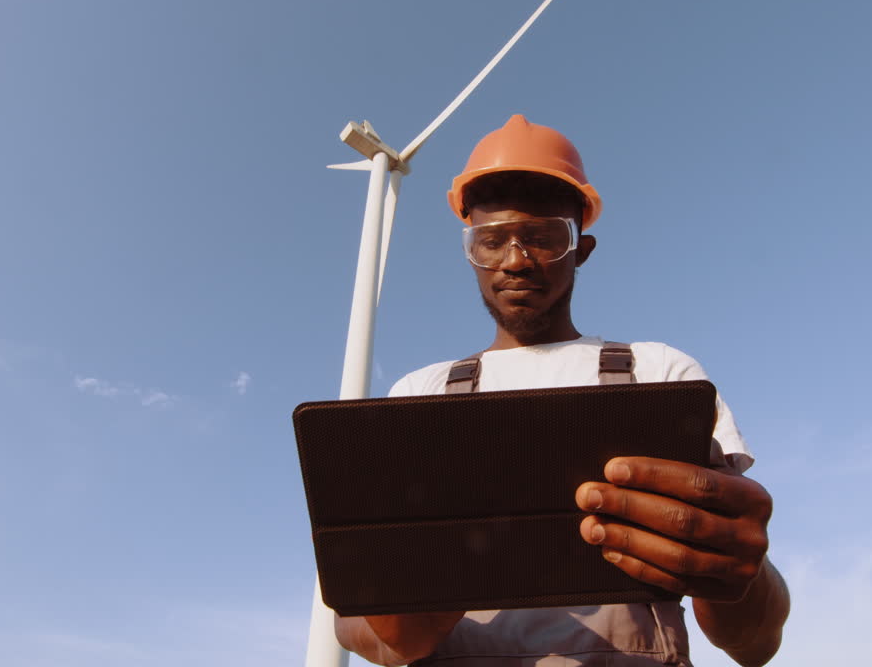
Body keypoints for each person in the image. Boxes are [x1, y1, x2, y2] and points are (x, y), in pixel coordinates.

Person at [334, 115, 790, 667]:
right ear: (468, 250)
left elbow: (754, 642)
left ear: (583, 248)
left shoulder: (660, 373)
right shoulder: (418, 395)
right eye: (491, 241)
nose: (515, 261)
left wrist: (743, 576)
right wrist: (397, 625)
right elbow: (350, 619)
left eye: (544, 239)